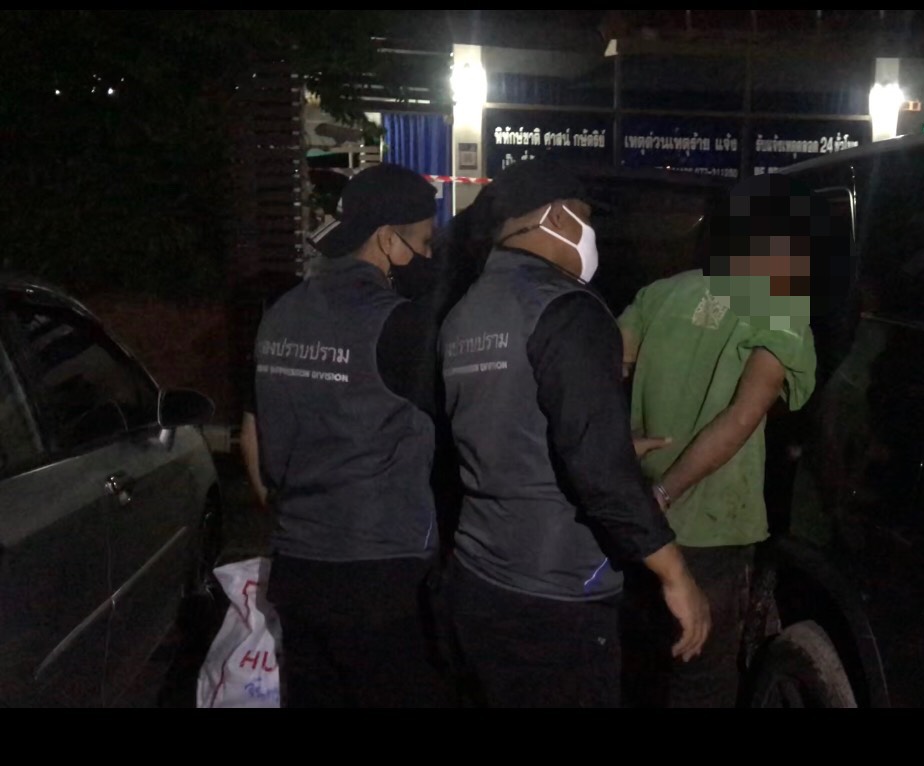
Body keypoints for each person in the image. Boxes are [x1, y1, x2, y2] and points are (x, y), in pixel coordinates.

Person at [438, 157, 711, 708]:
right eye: (586, 219)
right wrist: (675, 573)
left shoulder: (465, 312)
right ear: (559, 219)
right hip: (556, 591)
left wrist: (606, 442)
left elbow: (502, 428)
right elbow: (599, 473)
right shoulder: (567, 309)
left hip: (476, 575)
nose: (591, 234)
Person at [251, 163, 451, 708]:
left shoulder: (282, 313)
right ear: (388, 239)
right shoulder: (398, 325)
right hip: (379, 573)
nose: (428, 256)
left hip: (297, 565)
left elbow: (257, 432)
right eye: (424, 242)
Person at [618, 172, 819, 708]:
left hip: (636, 521)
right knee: (701, 677)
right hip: (708, 527)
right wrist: (668, 491)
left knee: (642, 665)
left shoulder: (660, 294)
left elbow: (601, 371)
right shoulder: (779, 306)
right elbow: (743, 417)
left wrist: (625, 466)